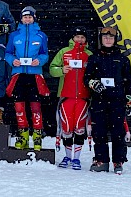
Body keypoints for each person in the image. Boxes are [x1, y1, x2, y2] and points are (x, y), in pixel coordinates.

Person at [84, 27, 131, 174]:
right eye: (105, 37)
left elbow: (128, 81)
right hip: (99, 100)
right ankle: (101, 160)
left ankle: (118, 161)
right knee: (99, 132)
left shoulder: (122, 59)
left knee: (118, 132)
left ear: (114, 40)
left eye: (110, 38)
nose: (108, 40)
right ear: (101, 39)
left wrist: (130, 99)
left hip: (117, 100)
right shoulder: (94, 58)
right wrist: (93, 83)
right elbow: (86, 77)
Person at [5, 6, 49, 151]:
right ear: (21, 19)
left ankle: (37, 137)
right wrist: (13, 61)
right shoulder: (14, 35)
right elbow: (8, 53)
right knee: (19, 106)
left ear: (34, 18)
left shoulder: (41, 35)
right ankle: (22, 135)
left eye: (30, 17)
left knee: (35, 107)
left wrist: (40, 61)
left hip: (34, 75)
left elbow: (45, 54)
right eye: (25, 17)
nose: (27, 19)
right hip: (18, 75)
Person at [49, 26, 92, 170]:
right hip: (66, 96)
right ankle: (67, 156)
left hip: (83, 97)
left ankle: (77, 159)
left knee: (79, 127)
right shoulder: (64, 52)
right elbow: (52, 69)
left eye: (82, 37)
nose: (79, 39)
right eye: (77, 37)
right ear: (72, 38)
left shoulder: (89, 54)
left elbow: (95, 73)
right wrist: (61, 70)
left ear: (85, 40)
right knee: (66, 127)